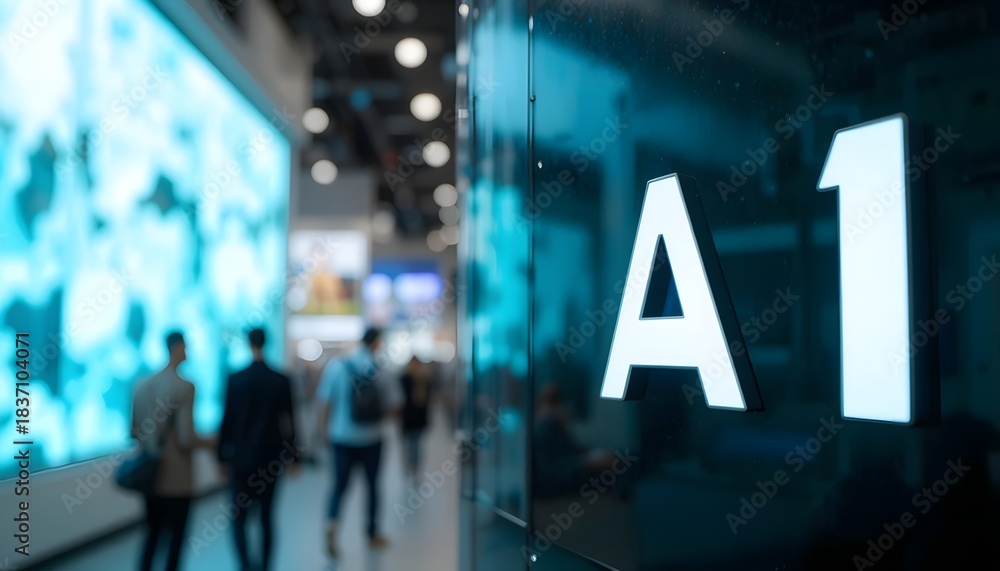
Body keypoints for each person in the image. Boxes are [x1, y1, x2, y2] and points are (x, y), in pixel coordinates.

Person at [217, 328, 301, 571]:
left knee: (239, 518)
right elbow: (291, 421)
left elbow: (227, 421)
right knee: (266, 517)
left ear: (247, 344)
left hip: (241, 459)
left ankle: (245, 565)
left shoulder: (235, 379)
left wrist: (221, 456)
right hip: (270, 459)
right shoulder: (281, 379)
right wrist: (295, 457)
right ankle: (264, 567)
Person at [131, 331, 213, 571]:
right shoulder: (185, 387)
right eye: (186, 346)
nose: (187, 351)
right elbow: (186, 438)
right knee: (176, 540)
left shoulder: (142, 385)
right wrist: (214, 442)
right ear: (177, 348)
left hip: (150, 475)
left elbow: (135, 431)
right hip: (176, 479)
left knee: (152, 535)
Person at [318, 327, 403, 557]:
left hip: (341, 437)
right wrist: (377, 414)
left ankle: (331, 527)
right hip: (371, 439)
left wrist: (324, 433)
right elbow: (395, 407)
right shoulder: (382, 369)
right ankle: (372, 533)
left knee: (339, 487)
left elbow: (325, 402)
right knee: (373, 486)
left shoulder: (337, 366)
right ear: (377, 343)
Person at [399, 356, 434, 478]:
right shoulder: (425, 378)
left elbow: (399, 400)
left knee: (407, 445)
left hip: (407, 418)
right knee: (416, 444)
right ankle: (415, 468)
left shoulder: (405, 378)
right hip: (420, 419)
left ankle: (408, 467)